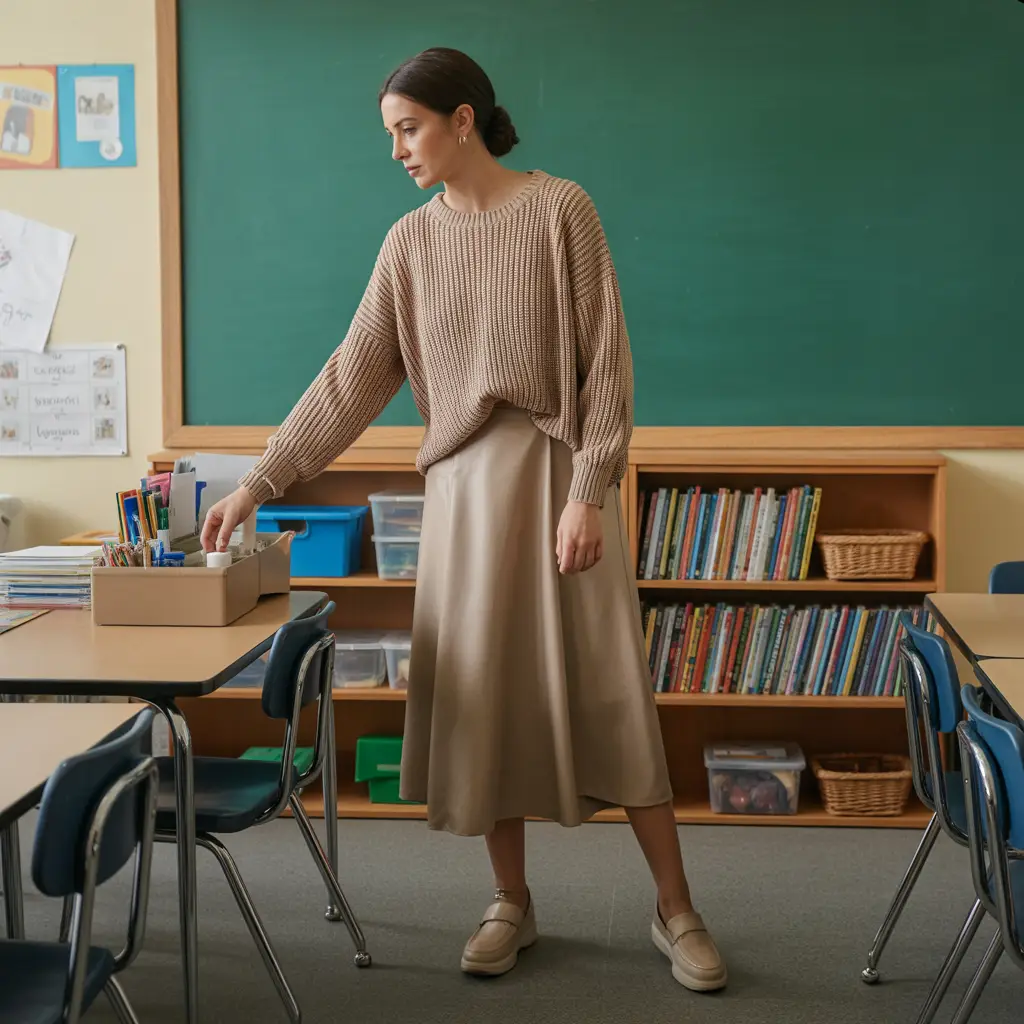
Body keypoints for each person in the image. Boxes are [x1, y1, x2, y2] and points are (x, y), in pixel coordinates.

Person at [200, 46, 726, 992]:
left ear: (464, 119)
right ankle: (510, 903)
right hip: (466, 496)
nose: (397, 149)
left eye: (408, 128)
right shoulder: (408, 244)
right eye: (390, 134)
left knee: (611, 687)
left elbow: (606, 360)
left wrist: (590, 489)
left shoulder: (562, 208)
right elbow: (353, 374)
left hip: (561, 478)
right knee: (485, 699)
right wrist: (259, 481)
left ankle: (675, 907)